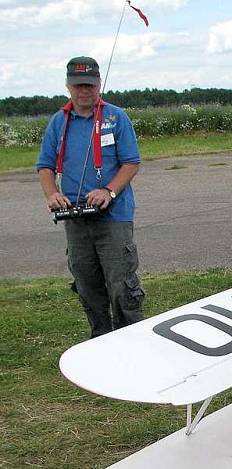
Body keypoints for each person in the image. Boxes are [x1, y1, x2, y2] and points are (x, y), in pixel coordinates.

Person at [37, 56, 145, 338]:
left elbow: (131, 162)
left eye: (89, 85)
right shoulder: (58, 122)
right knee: (86, 282)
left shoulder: (115, 117)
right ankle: (101, 340)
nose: (84, 91)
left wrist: (108, 191)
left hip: (113, 218)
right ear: (68, 87)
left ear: (99, 84)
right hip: (75, 218)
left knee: (122, 284)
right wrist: (52, 194)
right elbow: (45, 165)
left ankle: (132, 339)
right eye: (78, 86)